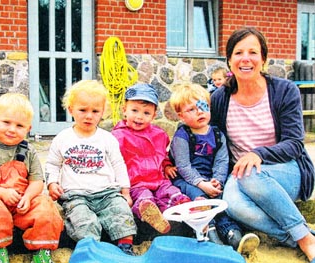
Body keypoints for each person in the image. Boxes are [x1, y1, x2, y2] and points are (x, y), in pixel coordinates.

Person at [210, 27, 315, 262]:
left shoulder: (284, 90)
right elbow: (213, 139)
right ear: (229, 60)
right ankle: (301, 236)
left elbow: (295, 143)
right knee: (232, 204)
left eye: (253, 52)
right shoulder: (220, 98)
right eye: (238, 53)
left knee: (249, 173)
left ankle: (306, 241)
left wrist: (258, 154)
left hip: (287, 170)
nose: (245, 59)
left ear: (263, 59)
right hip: (242, 175)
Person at [0, 93, 63, 263]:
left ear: (28, 129)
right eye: (6, 122)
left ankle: (41, 250)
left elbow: (37, 182)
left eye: (19, 125)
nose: (12, 129)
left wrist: (28, 196)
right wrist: (1, 193)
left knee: (45, 205)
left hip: (21, 204)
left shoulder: (29, 151)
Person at [45, 80, 138, 256]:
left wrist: (125, 192)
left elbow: (119, 165)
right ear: (71, 109)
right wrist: (52, 183)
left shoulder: (107, 138)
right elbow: (52, 164)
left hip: (107, 193)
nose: (89, 116)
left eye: (95, 111)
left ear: (102, 112)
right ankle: (91, 249)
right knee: (82, 220)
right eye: (83, 110)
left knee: (121, 211)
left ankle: (125, 247)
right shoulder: (63, 138)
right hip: (75, 195)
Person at [168, 82, 260, 254]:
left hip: (211, 178)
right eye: (191, 110)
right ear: (181, 116)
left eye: (203, 106)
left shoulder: (217, 134)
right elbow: (183, 166)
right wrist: (202, 184)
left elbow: (221, 161)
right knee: (201, 200)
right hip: (188, 180)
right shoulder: (182, 136)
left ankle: (232, 233)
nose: (199, 112)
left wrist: (217, 180)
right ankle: (209, 231)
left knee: (223, 200)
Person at [111, 83, 191, 234]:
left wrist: (167, 166)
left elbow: (163, 155)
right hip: (135, 182)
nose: (140, 116)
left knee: (171, 191)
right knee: (144, 196)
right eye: (134, 110)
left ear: (154, 116)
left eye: (146, 113)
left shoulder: (159, 135)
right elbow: (112, 162)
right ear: (124, 110)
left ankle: (184, 206)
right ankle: (149, 213)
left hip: (158, 179)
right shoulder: (118, 136)